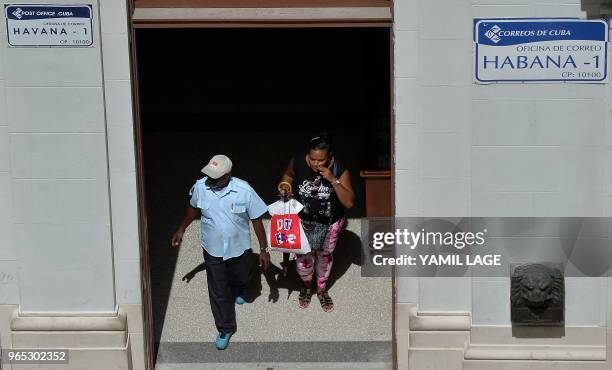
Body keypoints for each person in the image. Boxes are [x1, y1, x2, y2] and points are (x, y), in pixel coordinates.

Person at [171, 154, 269, 350]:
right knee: (218, 290)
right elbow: (193, 208)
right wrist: (181, 229)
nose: (211, 180)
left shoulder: (244, 190)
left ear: (228, 174)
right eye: (209, 175)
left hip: (239, 247)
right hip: (212, 248)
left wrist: (263, 249)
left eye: (216, 177)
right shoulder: (201, 187)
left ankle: (240, 286)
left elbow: (256, 219)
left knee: (241, 274)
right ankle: (225, 328)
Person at [277, 133, 354, 312]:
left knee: (324, 257)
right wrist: (285, 188)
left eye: (320, 160)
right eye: (312, 159)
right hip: (303, 221)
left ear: (329, 157)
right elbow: (287, 176)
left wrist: (332, 179)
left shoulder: (339, 169)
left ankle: (321, 289)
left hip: (330, 224)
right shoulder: (297, 162)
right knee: (303, 259)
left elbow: (349, 202)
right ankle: (306, 285)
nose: (315, 164)